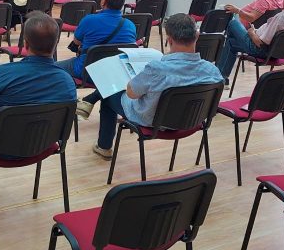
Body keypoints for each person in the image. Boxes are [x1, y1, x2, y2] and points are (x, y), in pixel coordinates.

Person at [0, 12, 76, 200]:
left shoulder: (2, 74)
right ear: (56, 44)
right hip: (42, 145)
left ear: (26, 43)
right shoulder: (67, 81)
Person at [79, 13, 223, 160]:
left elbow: (131, 93)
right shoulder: (213, 72)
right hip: (192, 121)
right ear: (197, 36)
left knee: (109, 93)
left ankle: (104, 146)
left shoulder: (156, 69)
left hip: (152, 122)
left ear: (169, 40)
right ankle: (90, 100)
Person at [56, 0, 137, 80]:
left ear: (103, 1)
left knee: (52, 68)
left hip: (86, 72)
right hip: (115, 73)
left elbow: (77, 42)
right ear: (122, 4)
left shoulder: (89, 20)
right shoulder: (130, 26)